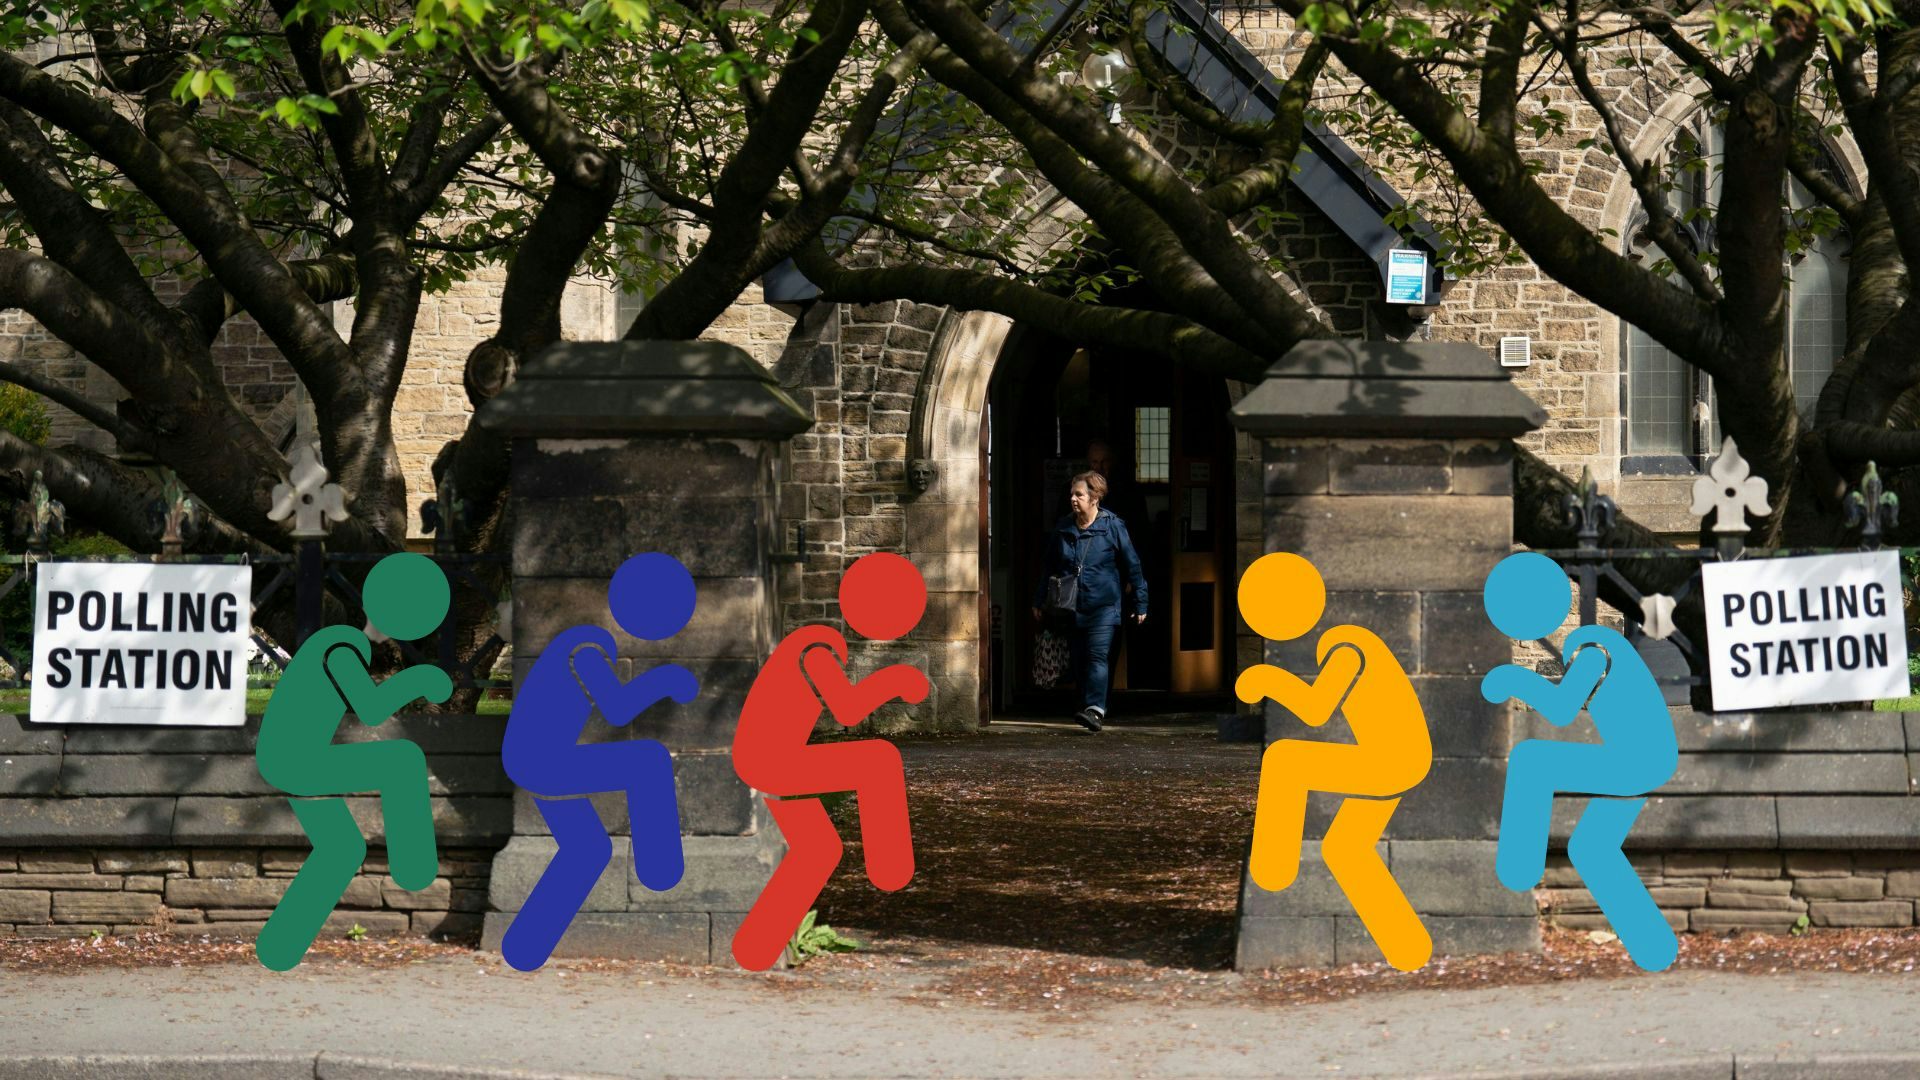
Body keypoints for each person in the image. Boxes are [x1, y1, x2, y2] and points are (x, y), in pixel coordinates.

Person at [1481, 551, 1680, 972]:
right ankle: (1654, 946)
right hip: (1645, 754)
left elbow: (1562, 709)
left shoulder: (1591, 646)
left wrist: (1515, 679)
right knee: (1590, 847)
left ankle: (1518, 869)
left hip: (1639, 759)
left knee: (1532, 760)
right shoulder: (1590, 644)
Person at [1235, 552, 1433, 972]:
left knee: (1286, 759)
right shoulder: (1345, 639)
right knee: (1344, 849)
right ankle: (1407, 947)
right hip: (1402, 754)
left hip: (1394, 757)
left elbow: (1317, 709)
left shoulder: (1344, 643)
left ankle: (1273, 867)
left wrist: (1267, 680)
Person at [731, 552, 929, 971]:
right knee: (877, 759)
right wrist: (896, 680)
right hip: (768, 758)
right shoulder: (817, 644)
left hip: (769, 754)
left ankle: (758, 947)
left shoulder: (819, 641)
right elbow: (847, 710)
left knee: (820, 848)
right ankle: (890, 868)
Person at [254, 552, 452, 971]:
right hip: (293, 758)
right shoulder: (343, 644)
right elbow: (371, 710)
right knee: (401, 760)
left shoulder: (344, 642)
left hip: (289, 755)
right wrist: (420, 679)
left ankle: (279, 947)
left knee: (343, 848)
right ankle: (414, 866)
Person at [498, 552, 695, 972]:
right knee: (648, 759)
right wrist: (665, 679)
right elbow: (617, 708)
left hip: (532, 755)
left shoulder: (586, 642)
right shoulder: (588, 643)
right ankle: (661, 870)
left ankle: (525, 947)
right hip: (540, 759)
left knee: (587, 848)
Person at [1031, 471, 1147, 732]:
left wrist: (1141, 602)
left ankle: (1095, 710)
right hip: (1072, 607)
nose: (1073, 498)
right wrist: (1039, 600)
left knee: (1097, 657)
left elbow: (1133, 565)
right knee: (1080, 659)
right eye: (1072, 494)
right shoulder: (1063, 527)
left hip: (1104, 607)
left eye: (1079, 494)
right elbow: (1048, 566)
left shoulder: (1113, 526)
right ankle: (1088, 706)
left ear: (1095, 497)